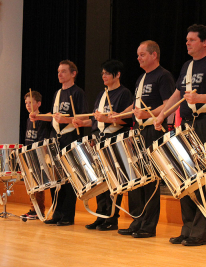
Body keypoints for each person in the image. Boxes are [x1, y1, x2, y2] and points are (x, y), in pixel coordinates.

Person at [154, 24, 206, 246]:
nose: (187, 43)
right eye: (186, 39)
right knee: (185, 176)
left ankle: (200, 231)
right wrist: (163, 115)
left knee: (204, 177)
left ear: (205, 42)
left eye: (192, 40)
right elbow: (177, 93)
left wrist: (201, 98)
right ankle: (187, 228)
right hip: (185, 126)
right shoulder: (187, 66)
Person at [111, 40, 175, 238]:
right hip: (138, 132)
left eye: (142, 55)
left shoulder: (163, 76)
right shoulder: (140, 78)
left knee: (152, 180)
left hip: (153, 131)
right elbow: (136, 108)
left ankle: (149, 225)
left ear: (154, 55)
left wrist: (148, 115)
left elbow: (168, 106)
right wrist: (119, 114)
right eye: (138, 55)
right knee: (138, 179)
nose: (138, 58)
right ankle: (137, 220)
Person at [72, 59, 133, 231]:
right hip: (99, 139)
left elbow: (126, 120)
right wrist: (83, 124)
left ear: (117, 74)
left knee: (113, 179)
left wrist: (107, 119)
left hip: (114, 139)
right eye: (103, 73)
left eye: (107, 73)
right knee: (101, 180)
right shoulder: (102, 94)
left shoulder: (124, 93)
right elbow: (96, 120)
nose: (104, 76)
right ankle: (101, 215)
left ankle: (112, 218)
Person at [30, 59, 89, 226]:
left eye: (63, 71)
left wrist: (67, 119)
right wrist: (38, 116)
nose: (59, 74)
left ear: (73, 74)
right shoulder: (57, 93)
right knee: (56, 178)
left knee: (69, 178)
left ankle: (67, 216)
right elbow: (54, 116)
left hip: (70, 137)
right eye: (58, 71)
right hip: (55, 138)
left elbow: (84, 117)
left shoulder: (78, 93)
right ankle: (57, 212)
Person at [21, 91, 51, 219]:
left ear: (38, 103)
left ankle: (39, 210)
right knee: (31, 183)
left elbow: (51, 116)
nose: (28, 105)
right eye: (26, 103)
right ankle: (33, 209)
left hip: (39, 154)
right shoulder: (28, 119)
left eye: (31, 102)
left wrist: (39, 117)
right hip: (30, 153)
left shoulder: (42, 117)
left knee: (38, 183)